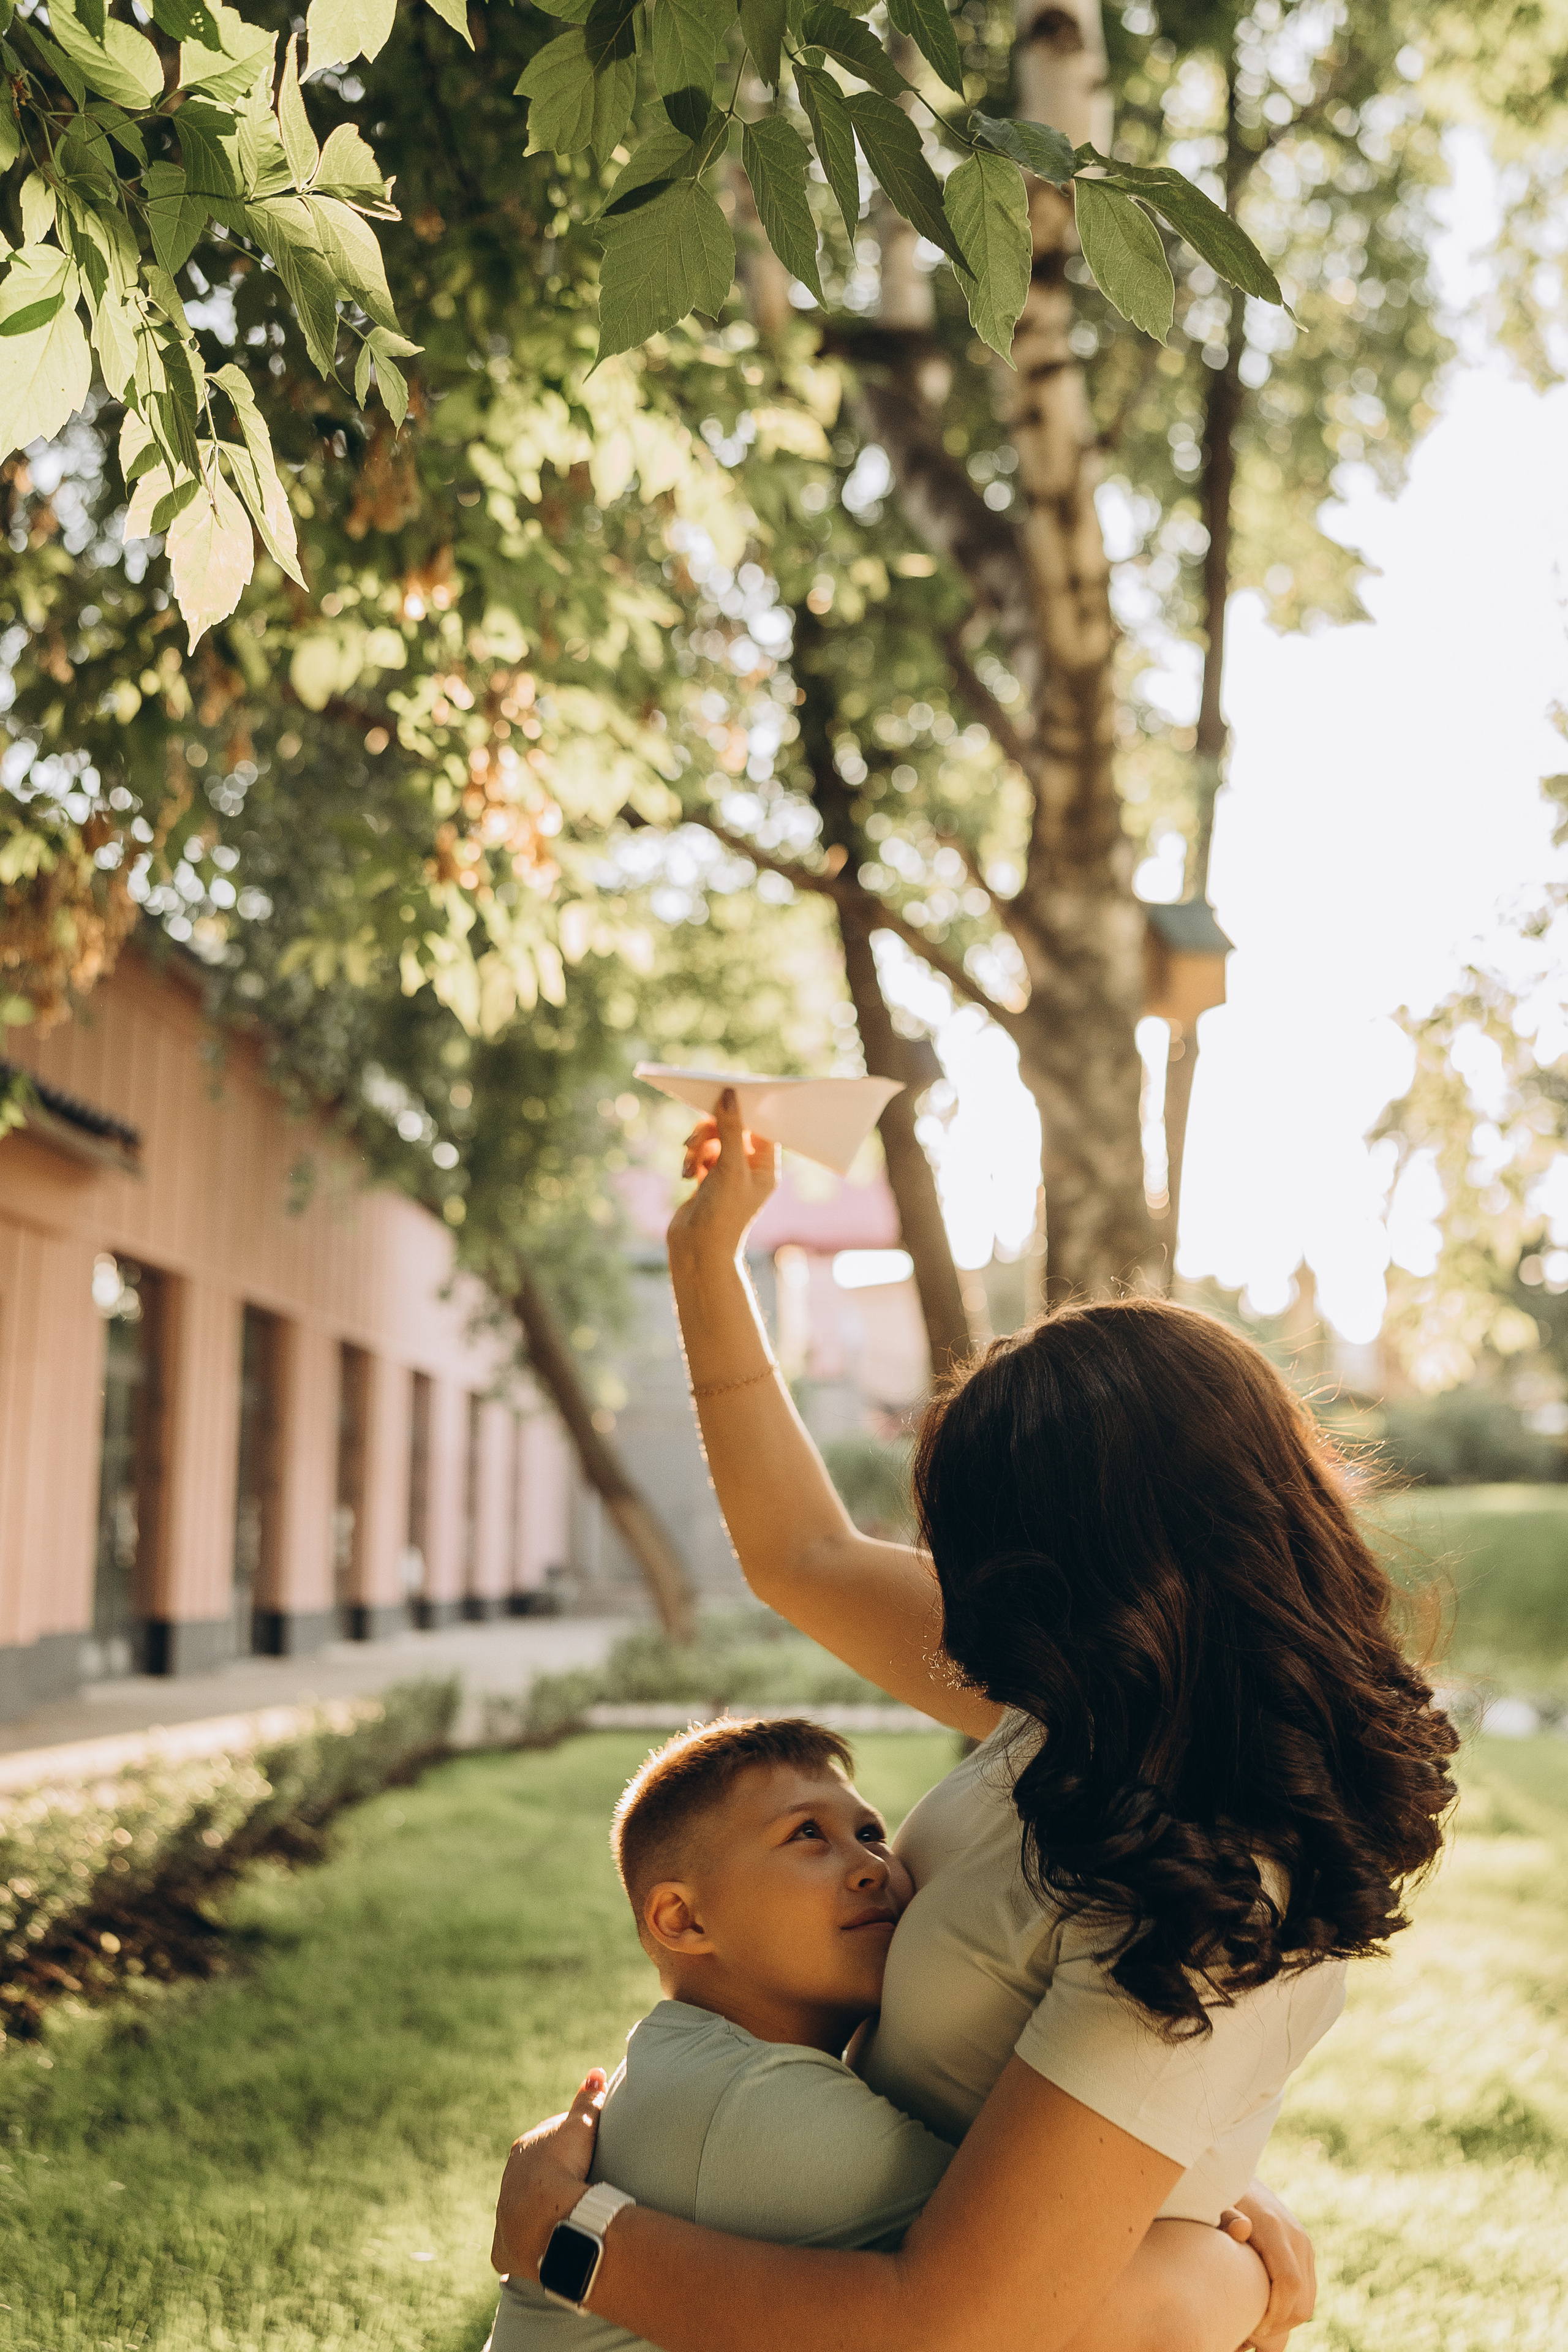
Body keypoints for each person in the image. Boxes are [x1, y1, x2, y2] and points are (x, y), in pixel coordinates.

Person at [493, 1092, 1458, 2352]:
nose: (963, 1589)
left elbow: (948, 2327)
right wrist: (705, 1260)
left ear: (1106, 1568)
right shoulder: (1094, 1707)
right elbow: (803, 1555)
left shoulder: (1209, 1886)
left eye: (986, 1549)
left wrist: (568, 2246)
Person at [488, 1716, 1269, 2352]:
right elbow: (1055, 2303)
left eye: (870, 1832)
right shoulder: (750, 2102)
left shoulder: (698, 2062)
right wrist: (1255, 2276)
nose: (871, 1866)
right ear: (684, 1919)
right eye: (806, 1834)